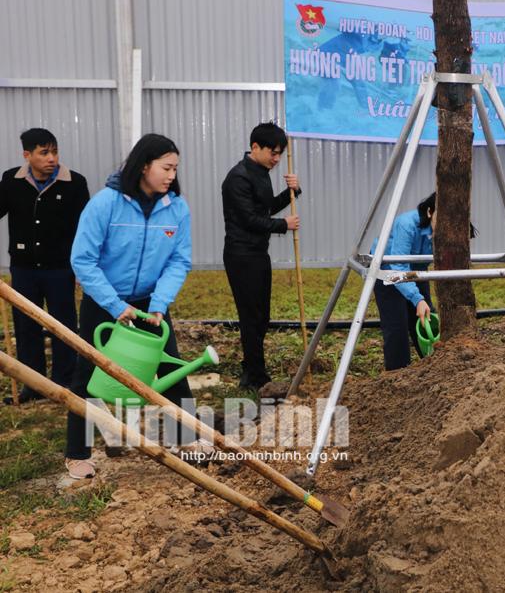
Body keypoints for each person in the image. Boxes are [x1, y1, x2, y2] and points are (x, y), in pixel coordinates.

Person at [65, 134, 199, 479]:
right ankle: (77, 453)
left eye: (175, 169)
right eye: (166, 167)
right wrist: (113, 304)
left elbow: (179, 261)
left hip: (150, 305)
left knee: (170, 366)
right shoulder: (105, 204)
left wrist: (159, 304)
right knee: (88, 372)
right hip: (104, 302)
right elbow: (83, 260)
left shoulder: (176, 208)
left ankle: (186, 438)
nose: (172, 175)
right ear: (144, 166)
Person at [0, 129, 89, 403]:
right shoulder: (11, 180)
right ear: (27, 155)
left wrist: (82, 268)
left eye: (54, 152)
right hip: (24, 267)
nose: (51, 159)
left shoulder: (74, 183)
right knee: (26, 326)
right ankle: (33, 385)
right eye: (44, 153)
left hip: (60, 268)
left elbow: (85, 229)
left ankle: (64, 383)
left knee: (63, 324)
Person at [221, 122, 300, 390]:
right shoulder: (238, 178)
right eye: (273, 153)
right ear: (255, 147)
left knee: (261, 316)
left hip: (258, 253)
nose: (277, 159)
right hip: (241, 255)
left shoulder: (262, 171)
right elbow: (250, 220)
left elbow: (265, 209)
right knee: (251, 316)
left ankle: (251, 368)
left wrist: (293, 192)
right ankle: (255, 375)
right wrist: (283, 225)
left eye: (280, 154)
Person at [371, 193, 437, 371]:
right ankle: (397, 376)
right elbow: (398, 266)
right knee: (397, 326)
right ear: (430, 212)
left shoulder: (444, 231)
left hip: (416, 269)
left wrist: (420, 300)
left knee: (427, 318)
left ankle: (436, 368)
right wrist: (417, 298)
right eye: (442, 217)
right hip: (388, 269)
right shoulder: (407, 224)